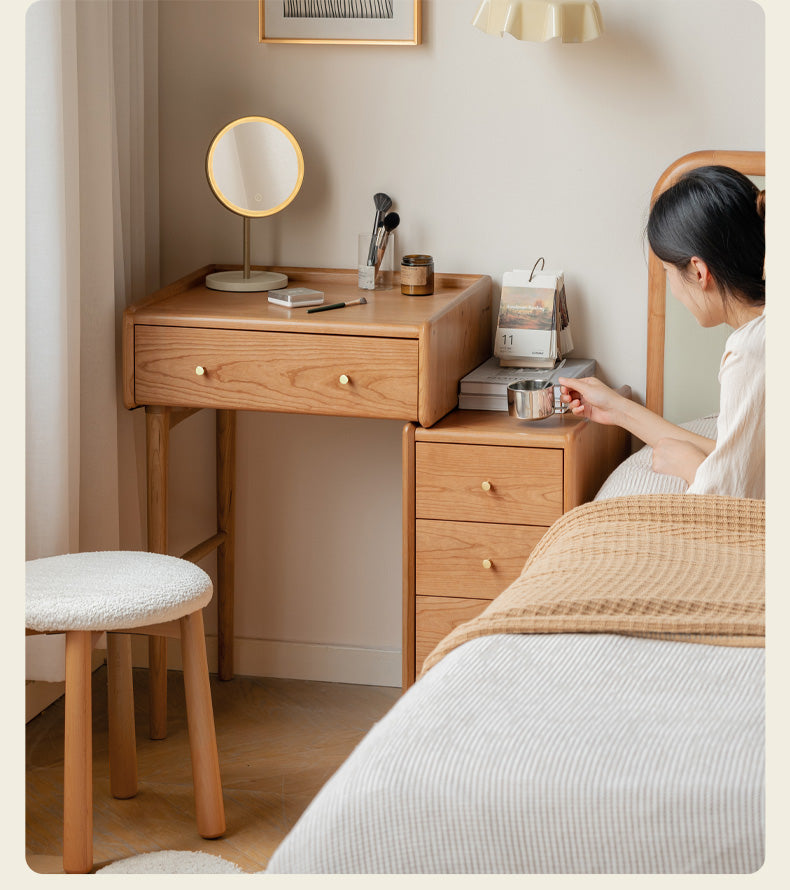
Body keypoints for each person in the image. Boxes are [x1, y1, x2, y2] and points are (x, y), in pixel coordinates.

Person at [559, 165, 765, 499]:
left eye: (669, 270)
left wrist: (689, 465)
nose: (673, 288)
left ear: (698, 271)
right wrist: (616, 407)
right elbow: (742, 458)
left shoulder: (752, 353)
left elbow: (728, 500)